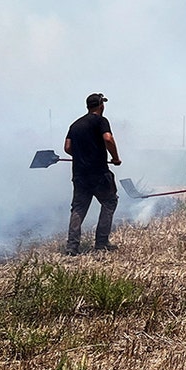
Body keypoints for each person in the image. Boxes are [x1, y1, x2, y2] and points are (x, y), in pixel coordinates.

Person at [64, 92, 122, 254]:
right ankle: (101, 243)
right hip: (99, 174)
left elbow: (67, 148)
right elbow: (108, 139)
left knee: (78, 208)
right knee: (109, 202)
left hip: (79, 174)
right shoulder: (101, 121)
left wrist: (82, 157)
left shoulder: (75, 125)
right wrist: (115, 158)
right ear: (101, 106)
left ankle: (72, 246)